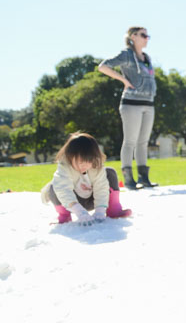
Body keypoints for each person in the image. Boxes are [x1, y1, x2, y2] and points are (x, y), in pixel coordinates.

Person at [97, 26, 158, 190]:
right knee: (130, 141)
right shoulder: (127, 55)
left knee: (143, 142)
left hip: (148, 104)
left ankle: (144, 178)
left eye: (148, 35)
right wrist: (123, 80)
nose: (147, 38)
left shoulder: (146, 57)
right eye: (143, 35)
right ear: (133, 37)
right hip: (131, 104)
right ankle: (129, 180)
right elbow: (103, 66)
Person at [41, 132, 131, 224]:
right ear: (70, 157)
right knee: (53, 187)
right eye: (80, 162)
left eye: (88, 161)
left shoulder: (96, 165)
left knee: (109, 172)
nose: (84, 165)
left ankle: (114, 210)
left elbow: (101, 187)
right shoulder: (64, 167)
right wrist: (78, 210)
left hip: (92, 200)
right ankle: (64, 216)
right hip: (72, 203)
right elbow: (63, 190)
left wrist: (100, 209)